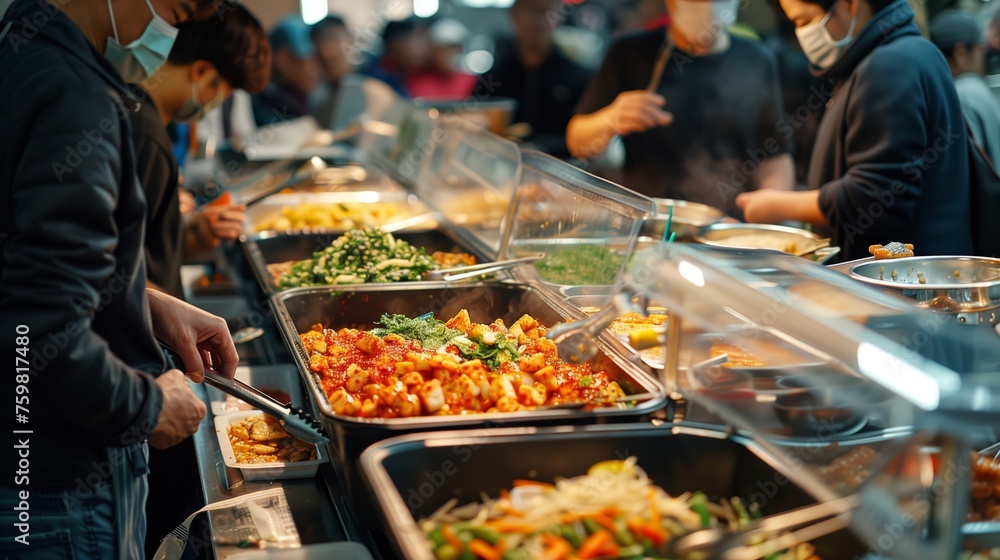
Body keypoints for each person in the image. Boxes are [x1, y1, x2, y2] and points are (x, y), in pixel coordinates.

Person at [0, 1, 240, 560]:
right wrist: (144, 408)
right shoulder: (77, 99)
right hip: (59, 482)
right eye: (174, 10)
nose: (168, 33)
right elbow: (36, 332)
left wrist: (142, 301)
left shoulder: (21, 48)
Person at [128, 5, 270, 554]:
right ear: (206, 74)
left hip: (158, 347)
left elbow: (135, 253)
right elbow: (108, 274)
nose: (212, 106)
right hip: (149, 368)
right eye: (223, 92)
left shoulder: (146, 127)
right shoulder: (141, 131)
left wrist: (186, 233)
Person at [736, 0, 974, 260]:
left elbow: (878, 200)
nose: (801, 34)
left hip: (901, 286)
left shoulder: (889, 65)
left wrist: (778, 205)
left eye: (804, 21)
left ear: (850, 5)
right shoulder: (911, 53)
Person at [567, 0, 794, 216]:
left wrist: (768, 210)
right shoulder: (629, 54)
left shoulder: (758, 60)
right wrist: (611, 119)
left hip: (727, 229)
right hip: (648, 221)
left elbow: (773, 156)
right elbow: (577, 141)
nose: (706, 6)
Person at [488, 0, 593, 158]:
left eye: (548, 12)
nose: (540, 20)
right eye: (533, 10)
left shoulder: (579, 78)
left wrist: (541, 149)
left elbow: (589, 138)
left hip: (562, 174)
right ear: (514, 14)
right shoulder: (492, 78)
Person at [930, 10, 1000, 169]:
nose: (983, 59)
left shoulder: (963, 93)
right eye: (979, 51)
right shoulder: (968, 92)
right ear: (961, 53)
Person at [310, 15, 402, 131]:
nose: (328, 51)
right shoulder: (318, 97)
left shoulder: (382, 81)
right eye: (321, 43)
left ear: (351, 39)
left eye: (334, 39)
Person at [252, 15, 321, 125]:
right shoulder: (259, 103)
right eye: (310, 59)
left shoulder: (305, 97)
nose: (318, 67)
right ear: (283, 59)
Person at [360, 17, 431, 98]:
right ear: (394, 45)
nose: (423, 49)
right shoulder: (371, 81)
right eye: (417, 42)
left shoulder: (417, 75)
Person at [407, 18, 478, 100]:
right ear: (433, 49)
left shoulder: (471, 82)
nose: (451, 54)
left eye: (456, 48)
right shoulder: (414, 81)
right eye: (446, 48)